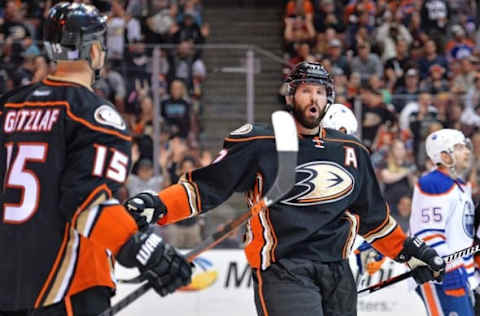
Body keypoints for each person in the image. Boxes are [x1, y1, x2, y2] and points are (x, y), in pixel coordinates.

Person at [127, 61, 445, 316]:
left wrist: (410, 254)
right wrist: (159, 206)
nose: (314, 98)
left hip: (338, 272)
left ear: (328, 98)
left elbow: (373, 220)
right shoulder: (259, 142)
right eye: (306, 90)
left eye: (320, 92)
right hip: (284, 269)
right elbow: (206, 187)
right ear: (291, 96)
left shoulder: (352, 151)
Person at [0, 3, 191, 315]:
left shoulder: (8, 106)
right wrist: (143, 249)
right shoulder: (93, 116)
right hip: (66, 287)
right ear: (93, 51)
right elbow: (85, 203)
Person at [409, 129, 478, 316]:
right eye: (459, 147)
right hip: (441, 277)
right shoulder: (434, 183)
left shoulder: (461, 187)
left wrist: (472, 271)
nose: (467, 152)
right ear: (445, 156)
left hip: (462, 276)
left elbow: (462, 236)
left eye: (466, 147)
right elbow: (427, 234)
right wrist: (451, 269)